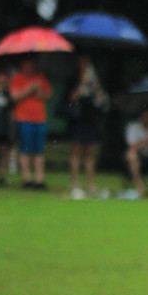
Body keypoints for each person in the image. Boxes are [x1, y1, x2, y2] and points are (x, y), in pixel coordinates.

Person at [64, 54, 109, 199]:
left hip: (91, 119)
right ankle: (75, 184)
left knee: (90, 153)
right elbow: (72, 98)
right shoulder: (74, 79)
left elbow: (102, 100)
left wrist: (96, 88)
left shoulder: (95, 80)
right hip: (78, 119)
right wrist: (82, 83)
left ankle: (90, 185)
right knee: (77, 152)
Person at [9, 56, 52, 190]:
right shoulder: (18, 79)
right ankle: (27, 179)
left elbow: (47, 96)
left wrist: (38, 89)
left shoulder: (40, 78)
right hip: (23, 118)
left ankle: (39, 180)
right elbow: (15, 97)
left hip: (40, 119)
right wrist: (29, 88)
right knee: (25, 148)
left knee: (39, 150)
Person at [0, 69, 11, 187]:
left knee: (4, 152)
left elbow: (11, 112)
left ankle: (2, 177)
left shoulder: (8, 95)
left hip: (4, 127)